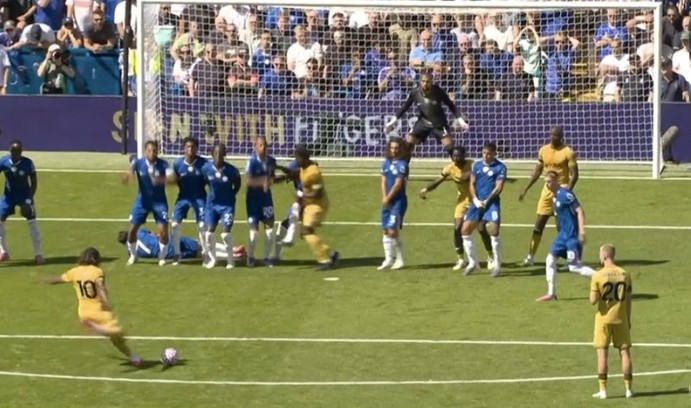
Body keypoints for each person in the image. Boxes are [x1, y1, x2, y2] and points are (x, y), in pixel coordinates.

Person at [42, 247, 142, 366]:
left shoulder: (75, 271)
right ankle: (97, 328)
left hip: (83, 312)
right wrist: (106, 301)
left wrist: (44, 279)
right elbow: (101, 287)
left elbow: (59, 279)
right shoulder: (97, 271)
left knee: (117, 338)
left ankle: (133, 357)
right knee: (117, 332)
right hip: (99, 311)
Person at [518, 126, 579, 266]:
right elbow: (537, 171)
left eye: (556, 135)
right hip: (546, 191)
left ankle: (569, 257)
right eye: (552, 135)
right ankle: (530, 257)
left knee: (561, 228)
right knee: (538, 225)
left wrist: (566, 192)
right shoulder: (543, 150)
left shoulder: (567, 152)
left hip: (561, 190)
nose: (553, 138)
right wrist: (526, 188)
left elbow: (575, 175)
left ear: (561, 137)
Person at [384, 72, 470, 164]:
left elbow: (451, 106)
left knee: (450, 148)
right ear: (420, 82)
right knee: (408, 143)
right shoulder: (414, 93)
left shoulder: (438, 92)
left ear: (432, 82)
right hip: (423, 121)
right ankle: (403, 167)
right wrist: (391, 123)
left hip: (439, 123)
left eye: (428, 81)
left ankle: (460, 168)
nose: (425, 84)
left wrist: (461, 122)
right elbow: (404, 108)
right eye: (423, 81)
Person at [420, 145, 483, 271]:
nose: (456, 158)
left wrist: (469, 175)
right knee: (457, 228)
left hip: (476, 200)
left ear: (464, 156)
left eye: (459, 156)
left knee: (482, 229)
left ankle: (491, 257)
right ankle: (461, 259)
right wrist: (426, 189)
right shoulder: (449, 168)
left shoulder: (473, 165)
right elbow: (438, 181)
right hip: (462, 201)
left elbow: (478, 176)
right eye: (454, 156)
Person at [536, 171, 595, 301]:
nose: (547, 184)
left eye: (549, 182)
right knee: (550, 260)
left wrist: (582, 231)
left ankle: (601, 278)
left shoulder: (566, 194)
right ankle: (551, 293)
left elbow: (580, 211)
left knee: (574, 267)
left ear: (556, 181)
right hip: (562, 236)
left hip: (572, 237)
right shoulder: (554, 197)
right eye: (545, 182)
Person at [589, 244, 633, 399]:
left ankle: (603, 391)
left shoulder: (598, 275)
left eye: (600, 254)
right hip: (621, 317)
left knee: (602, 353)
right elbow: (628, 300)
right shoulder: (625, 274)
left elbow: (593, 300)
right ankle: (628, 389)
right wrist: (628, 318)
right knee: (625, 352)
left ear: (605, 256)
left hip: (604, 319)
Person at [122, 140, 171, 266]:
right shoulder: (138, 163)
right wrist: (127, 176)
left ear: (157, 151)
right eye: (149, 150)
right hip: (142, 202)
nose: (152, 153)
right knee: (132, 230)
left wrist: (161, 180)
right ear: (145, 151)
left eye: (154, 150)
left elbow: (173, 179)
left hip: (159, 202)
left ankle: (162, 257)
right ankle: (133, 256)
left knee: (163, 231)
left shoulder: (163, 164)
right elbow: (129, 171)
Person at [461, 142, 506, 277]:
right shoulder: (476, 165)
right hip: (477, 202)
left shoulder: (500, 167)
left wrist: (487, 200)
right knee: (465, 230)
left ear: (494, 154)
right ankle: (472, 263)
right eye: (484, 153)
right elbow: (472, 184)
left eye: (488, 154)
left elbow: (498, 187)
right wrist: (475, 199)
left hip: (491, 203)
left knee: (493, 230)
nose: (485, 156)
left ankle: (497, 264)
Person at [294, 144, 339, 270]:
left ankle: (325, 260)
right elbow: (295, 174)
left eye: (297, 157)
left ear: (303, 158)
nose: (295, 160)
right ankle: (331, 254)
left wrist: (302, 195)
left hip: (317, 205)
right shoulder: (303, 167)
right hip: (309, 204)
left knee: (307, 231)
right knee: (305, 233)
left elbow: (317, 193)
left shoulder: (313, 172)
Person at [0, 140, 43, 264]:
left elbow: (34, 182)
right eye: (13, 151)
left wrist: (28, 200)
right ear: (10, 151)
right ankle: (3, 251)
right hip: (9, 196)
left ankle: (38, 254)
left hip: (24, 196)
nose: (15, 154)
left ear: (21, 152)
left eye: (18, 151)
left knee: (32, 223)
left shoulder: (27, 163)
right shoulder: (3, 162)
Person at [202, 144, 242, 269]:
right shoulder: (206, 169)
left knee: (225, 234)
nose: (218, 156)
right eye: (216, 153)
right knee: (209, 234)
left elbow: (238, 184)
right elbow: (203, 182)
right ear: (212, 154)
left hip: (227, 206)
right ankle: (213, 259)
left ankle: (230, 260)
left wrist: (231, 195)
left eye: (221, 153)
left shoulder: (232, 171)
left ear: (225, 155)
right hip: (211, 206)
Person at [169, 137, 208, 265]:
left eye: (193, 147)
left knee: (202, 225)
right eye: (188, 147)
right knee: (174, 225)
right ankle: (177, 254)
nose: (190, 149)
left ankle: (205, 253)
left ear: (197, 149)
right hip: (183, 197)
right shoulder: (177, 164)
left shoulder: (204, 164)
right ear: (184, 149)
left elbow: (209, 180)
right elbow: (175, 180)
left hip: (200, 197)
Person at [245, 137, 277, 267]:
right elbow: (248, 182)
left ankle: (266, 257)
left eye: (264, 145)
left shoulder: (271, 161)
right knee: (254, 233)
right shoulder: (251, 162)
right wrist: (262, 182)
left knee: (269, 230)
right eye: (260, 145)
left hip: (266, 199)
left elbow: (272, 178)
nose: (263, 148)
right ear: (255, 147)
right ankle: (250, 256)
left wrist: (270, 182)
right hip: (253, 200)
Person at [116, 229, 246, 261]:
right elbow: (153, 233)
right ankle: (232, 250)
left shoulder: (131, 252)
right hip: (168, 241)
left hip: (167, 254)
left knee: (200, 253)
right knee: (200, 244)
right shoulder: (138, 232)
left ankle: (233, 256)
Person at [378, 138, 408, 270]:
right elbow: (383, 181)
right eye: (392, 148)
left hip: (398, 201)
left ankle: (400, 259)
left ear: (401, 149)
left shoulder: (402, 165)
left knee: (392, 230)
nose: (394, 151)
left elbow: (398, 184)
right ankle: (388, 259)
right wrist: (384, 197)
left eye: (396, 148)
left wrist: (388, 198)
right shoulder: (386, 162)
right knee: (385, 229)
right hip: (387, 201)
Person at [274, 159, 302, 261]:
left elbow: (293, 173)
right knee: (282, 226)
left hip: (311, 203)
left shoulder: (310, 168)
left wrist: (277, 167)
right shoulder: (295, 165)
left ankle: (290, 235)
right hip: (301, 202)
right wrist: (271, 179)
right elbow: (287, 175)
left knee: (294, 209)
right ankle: (276, 256)